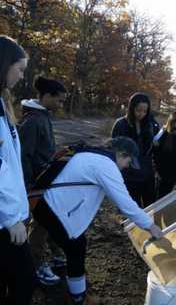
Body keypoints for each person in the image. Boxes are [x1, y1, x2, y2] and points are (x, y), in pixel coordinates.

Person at [31, 136, 163, 305]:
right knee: (76, 248)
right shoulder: (105, 165)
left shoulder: (94, 155)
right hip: (51, 207)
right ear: (122, 154)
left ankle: (64, 270)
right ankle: (78, 298)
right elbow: (125, 203)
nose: (127, 167)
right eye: (128, 162)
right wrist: (150, 226)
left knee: (72, 243)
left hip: (46, 202)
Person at [18, 76, 67, 285]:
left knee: (49, 221)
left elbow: (41, 151)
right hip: (36, 185)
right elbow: (24, 157)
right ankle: (36, 266)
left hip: (46, 180)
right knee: (39, 225)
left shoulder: (44, 116)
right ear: (47, 96)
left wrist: (55, 155)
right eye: (59, 100)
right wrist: (31, 185)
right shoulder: (32, 121)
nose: (61, 104)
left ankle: (54, 256)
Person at [0, 35, 35, 304]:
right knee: (23, 280)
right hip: (4, 218)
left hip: (9, 215)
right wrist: (12, 216)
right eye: (20, 69)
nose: (22, 76)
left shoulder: (3, 103)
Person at [111, 92, 160, 207]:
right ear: (131, 108)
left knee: (151, 206)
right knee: (132, 207)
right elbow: (113, 148)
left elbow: (158, 147)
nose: (141, 114)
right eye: (138, 110)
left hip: (147, 174)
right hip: (128, 175)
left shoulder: (152, 124)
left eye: (144, 111)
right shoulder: (120, 124)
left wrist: (156, 144)